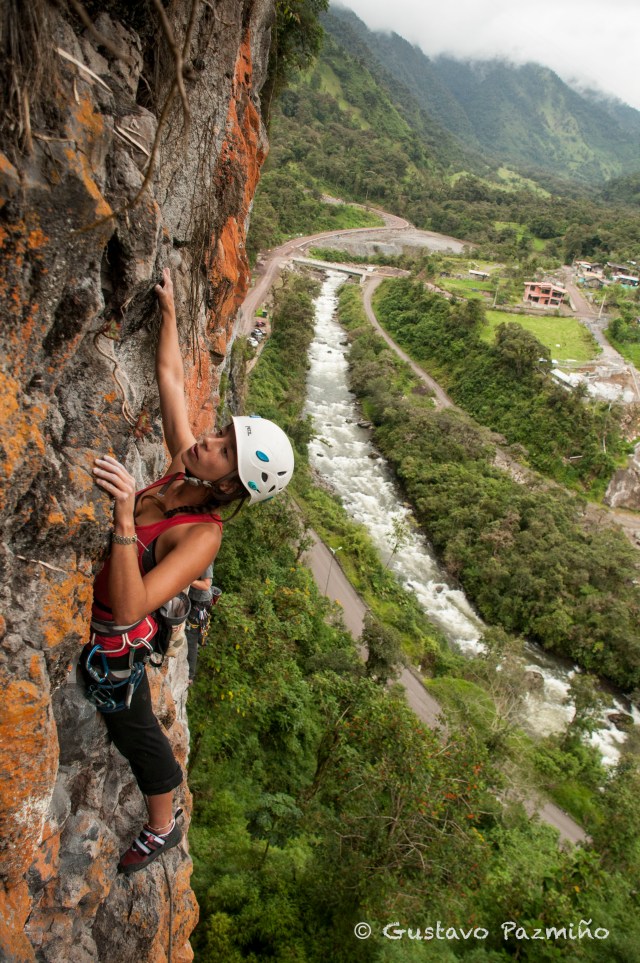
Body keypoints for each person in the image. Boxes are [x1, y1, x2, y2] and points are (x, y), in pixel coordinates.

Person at [81, 267, 294, 874]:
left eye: (224, 448)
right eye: (221, 433)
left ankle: (161, 824)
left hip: (115, 643)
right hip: (106, 613)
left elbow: (127, 610)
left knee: (134, 728)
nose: (208, 440)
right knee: (132, 722)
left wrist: (125, 515)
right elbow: (172, 377)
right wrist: (172, 313)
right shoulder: (185, 467)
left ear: (231, 486)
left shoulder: (201, 538)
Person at [185, 563, 219, 684]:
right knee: (194, 632)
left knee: (190, 637)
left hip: (199, 601)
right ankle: (201, 637)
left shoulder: (206, 559)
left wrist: (187, 580)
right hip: (197, 599)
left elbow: (206, 585)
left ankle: (190, 675)